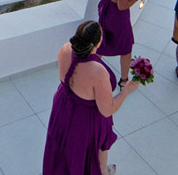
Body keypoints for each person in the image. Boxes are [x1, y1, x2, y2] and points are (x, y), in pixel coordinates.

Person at [43, 21, 139, 175]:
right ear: (98, 42)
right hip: (86, 119)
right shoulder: (98, 72)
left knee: (62, 149)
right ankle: (103, 171)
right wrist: (127, 89)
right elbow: (107, 110)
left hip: (63, 106)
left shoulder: (65, 48)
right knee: (94, 155)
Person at [97, 0, 145, 88]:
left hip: (104, 9)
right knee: (126, 47)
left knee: (102, 42)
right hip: (118, 17)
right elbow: (122, 6)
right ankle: (124, 81)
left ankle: (93, 68)